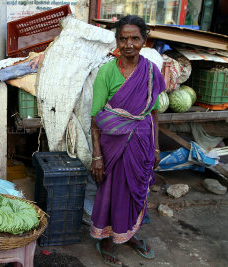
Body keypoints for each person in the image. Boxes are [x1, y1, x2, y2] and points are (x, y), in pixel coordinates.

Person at [89, 15, 165, 266]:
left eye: (135, 38)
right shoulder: (107, 71)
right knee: (111, 191)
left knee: (136, 191)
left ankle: (129, 234)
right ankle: (108, 239)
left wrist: (155, 147)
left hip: (141, 144)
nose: (129, 44)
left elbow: (153, 113)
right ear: (117, 41)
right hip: (113, 146)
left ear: (145, 40)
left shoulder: (151, 71)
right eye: (123, 38)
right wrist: (97, 156)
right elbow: (95, 118)